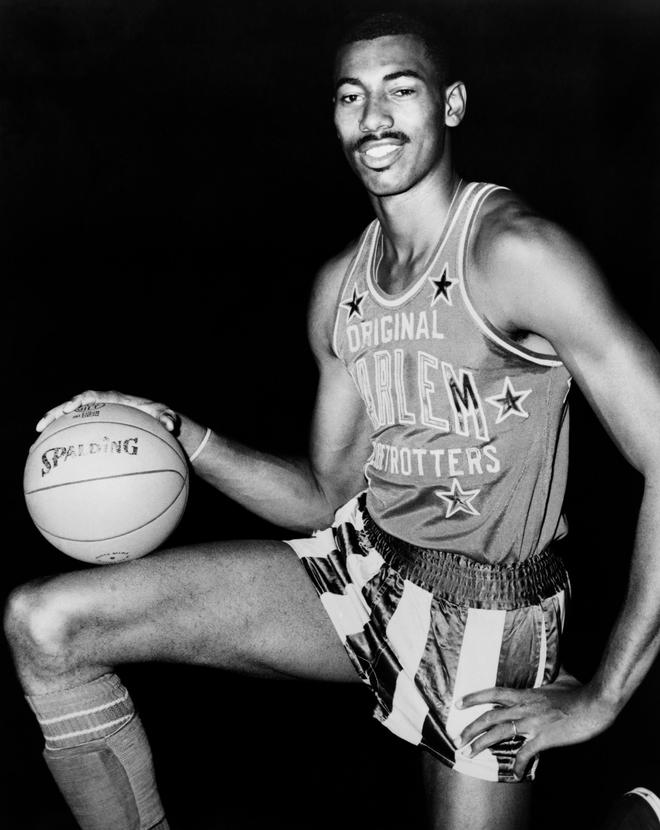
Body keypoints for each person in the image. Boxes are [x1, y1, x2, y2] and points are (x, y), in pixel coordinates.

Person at [5, 10, 660, 830]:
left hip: (490, 616)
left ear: (452, 104)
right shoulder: (340, 288)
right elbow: (326, 496)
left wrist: (606, 694)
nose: (374, 116)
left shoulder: (515, 254)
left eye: (401, 90)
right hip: (365, 568)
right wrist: (180, 435)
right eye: (352, 96)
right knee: (46, 626)